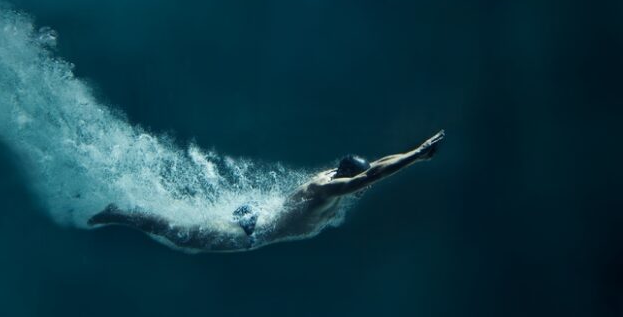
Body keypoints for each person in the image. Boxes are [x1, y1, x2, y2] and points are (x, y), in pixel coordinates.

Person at [88, 130, 445, 252]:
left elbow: (376, 167)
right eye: (358, 183)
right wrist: (415, 156)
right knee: (181, 237)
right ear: (346, 179)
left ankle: (125, 212)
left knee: (191, 241)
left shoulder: (337, 176)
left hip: (256, 215)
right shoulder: (327, 188)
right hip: (251, 232)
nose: (363, 188)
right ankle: (118, 213)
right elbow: (370, 177)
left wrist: (412, 153)